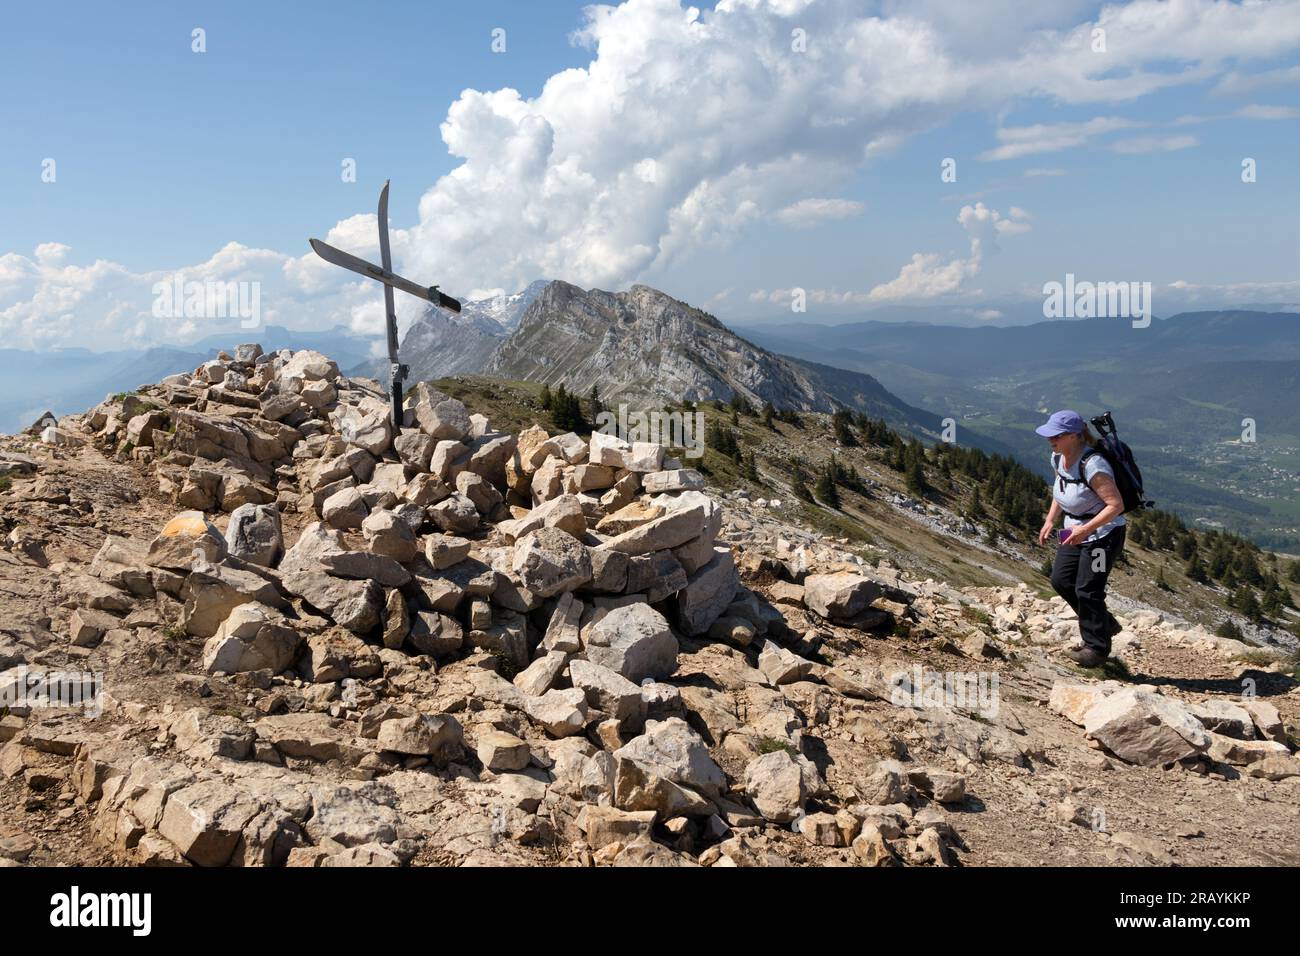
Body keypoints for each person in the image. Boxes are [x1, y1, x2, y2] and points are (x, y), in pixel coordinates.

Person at [1035, 410, 1127, 667]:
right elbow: (1060, 489)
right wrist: (1050, 520)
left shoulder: (1093, 464)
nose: (1051, 439)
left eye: (1057, 435)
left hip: (1103, 536)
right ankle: (1104, 623)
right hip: (1073, 529)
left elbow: (1115, 505)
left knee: (1088, 588)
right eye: (1050, 435)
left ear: (1075, 436)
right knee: (1061, 580)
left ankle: (1096, 649)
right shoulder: (1058, 457)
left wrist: (1085, 530)